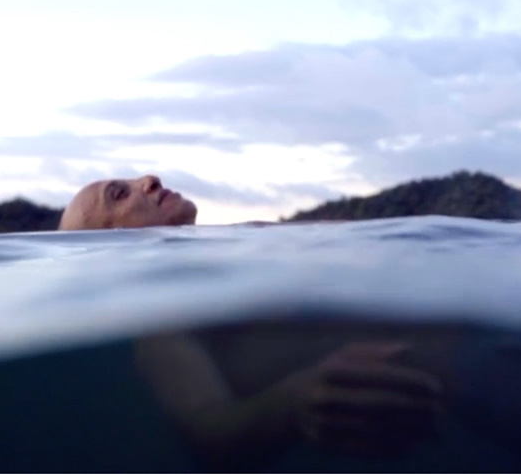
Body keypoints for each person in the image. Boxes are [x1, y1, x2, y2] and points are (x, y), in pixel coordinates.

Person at [58, 175, 445, 471]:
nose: (149, 180)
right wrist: (298, 399)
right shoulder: (159, 325)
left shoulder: (241, 246)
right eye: (119, 194)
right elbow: (213, 434)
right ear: (109, 244)